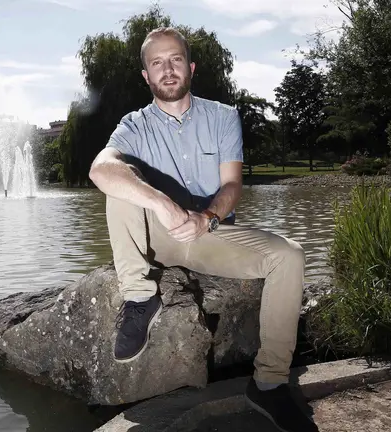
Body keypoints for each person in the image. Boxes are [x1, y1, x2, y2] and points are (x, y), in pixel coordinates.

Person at [88, 27, 318, 432]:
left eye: (175, 59)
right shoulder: (133, 125)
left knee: (290, 255)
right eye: (156, 63)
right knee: (119, 183)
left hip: (209, 234)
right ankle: (141, 297)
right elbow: (100, 169)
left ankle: (268, 383)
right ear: (146, 76)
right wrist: (161, 203)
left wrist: (206, 218)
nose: (167, 69)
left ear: (190, 66)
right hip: (158, 236)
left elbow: (232, 186)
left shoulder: (223, 117)